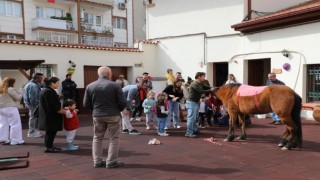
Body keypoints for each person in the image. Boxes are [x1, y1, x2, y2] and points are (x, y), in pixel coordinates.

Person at [83, 66, 127, 168]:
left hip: (97, 115)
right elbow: (123, 102)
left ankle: (97, 161)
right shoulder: (115, 86)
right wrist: (117, 110)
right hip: (113, 115)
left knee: (97, 138)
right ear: (109, 74)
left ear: (99, 74)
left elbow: (86, 104)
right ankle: (111, 161)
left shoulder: (90, 86)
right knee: (114, 138)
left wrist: (95, 110)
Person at [39, 77, 66, 153]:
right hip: (50, 116)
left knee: (51, 132)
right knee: (50, 132)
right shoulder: (48, 91)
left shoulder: (47, 90)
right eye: (57, 83)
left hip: (49, 115)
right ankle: (48, 147)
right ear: (52, 83)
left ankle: (49, 146)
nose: (58, 84)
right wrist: (61, 111)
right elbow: (51, 105)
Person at [185, 72, 214, 138]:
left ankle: (194, 130)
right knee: (191, 118)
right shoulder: (194, 84)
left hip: (195, 102)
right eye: (203, 76)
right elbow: (201, 91)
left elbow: (205, 86)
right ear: (199, 77)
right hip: (191, 102)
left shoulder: (200, 83)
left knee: (195, 117)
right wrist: (210, 90)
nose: (204, 78)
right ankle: (189, 133)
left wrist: (212, 88)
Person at [0, 77, 25, 145]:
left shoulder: (1, 89)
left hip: (1, 109)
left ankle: (3, 139)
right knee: (15, 124)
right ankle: (15, 140)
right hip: (10, 108)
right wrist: (21, 92)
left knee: (3, 124)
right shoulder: (10, 89)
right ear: (11, 83)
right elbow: (18, 98)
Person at [23, 72, 44, 138]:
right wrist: (36, 106)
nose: (42, 79)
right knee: (33, 117)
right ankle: (31, 132)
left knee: (33, 117)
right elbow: (32, 98)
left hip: (29, 103)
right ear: (37, 78)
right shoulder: (33, 85)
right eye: (41, 78)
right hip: (32, 104)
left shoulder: (31, 84)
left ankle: (32, 130)